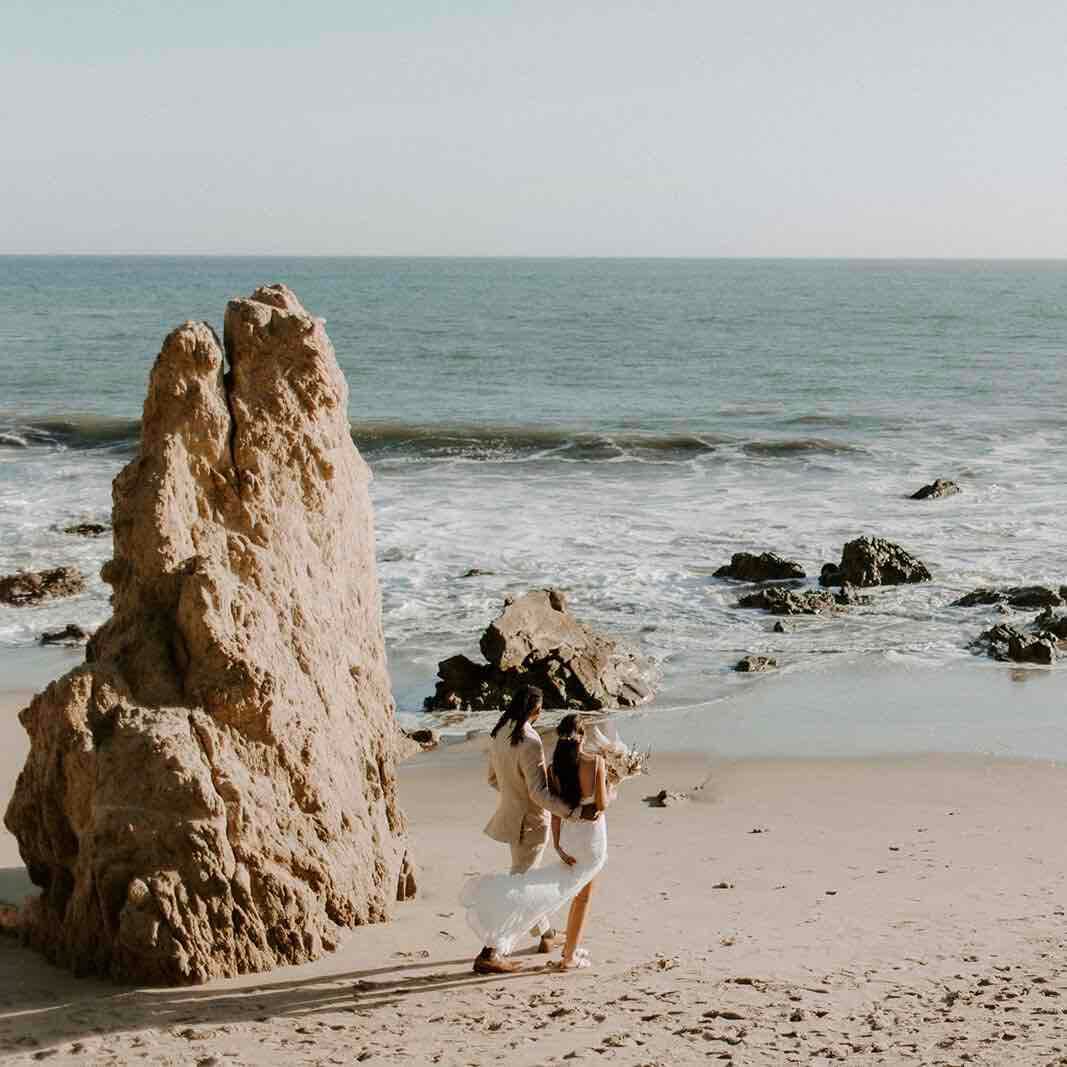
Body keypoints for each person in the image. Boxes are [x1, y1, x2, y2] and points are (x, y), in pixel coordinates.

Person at [463, 711, 610, 973]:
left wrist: (557, 844)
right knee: (582, 897)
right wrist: (611, 785)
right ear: (583, 736)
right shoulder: (596, 763)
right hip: (591, 840)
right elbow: (602, 805)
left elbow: (555, 811)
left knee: (573, 892)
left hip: (567, 838)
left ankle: (567, 948)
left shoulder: (554, 769)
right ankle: (568, 956)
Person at [468, 685, 577, 975]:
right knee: (521, 889)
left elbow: (493, 778)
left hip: (510, 817)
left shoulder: (501, 732)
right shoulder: (530, 741)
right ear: (535, 711)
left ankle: (547, 935)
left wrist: (514, 795)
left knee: (523, 878)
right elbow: (539, 792)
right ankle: (490, 952)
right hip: (530, 822)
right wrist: (570, 811)